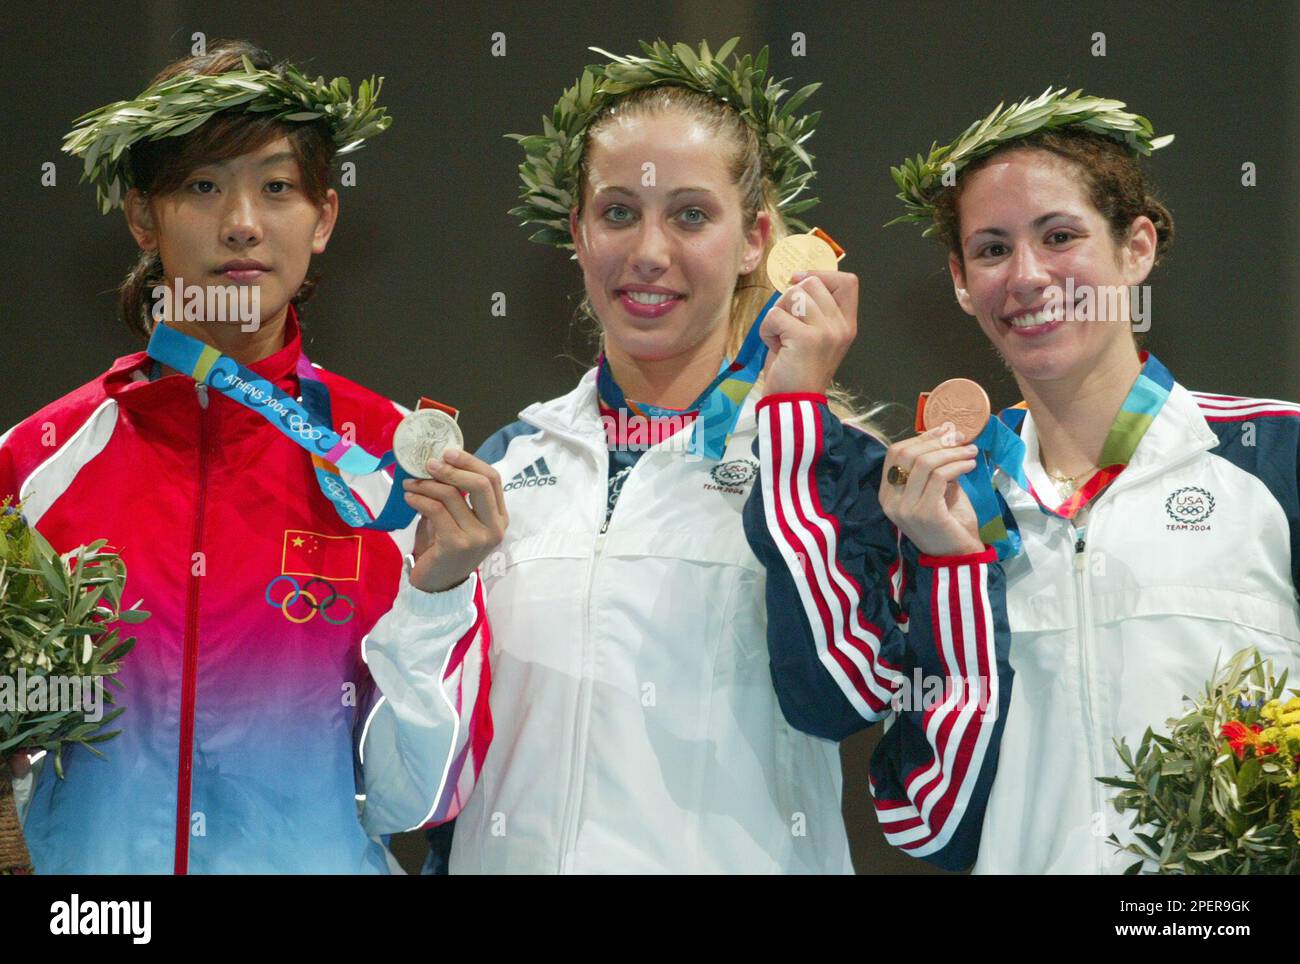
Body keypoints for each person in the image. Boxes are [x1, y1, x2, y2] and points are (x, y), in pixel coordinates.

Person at [433, 38, 1008, 874]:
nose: (650, 252)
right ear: (579, 235)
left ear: (756, 242)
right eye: (619, 212)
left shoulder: (841, 466)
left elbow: (836, 699)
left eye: (691, 215)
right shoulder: (507, 463)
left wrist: (792, 420)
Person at [759, 88, 1300, 873]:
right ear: (958, 278)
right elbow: (927, 825)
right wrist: (951, 569)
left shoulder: (1271, 455)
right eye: (991, 249)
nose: (1028, 275)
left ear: (1137, 247)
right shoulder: (937, 503)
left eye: (1060, 235)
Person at [0, 41, 500, 873]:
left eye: (277, 188)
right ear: (141, 217)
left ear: (325, 220)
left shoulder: (396, 470)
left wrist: (437, 597)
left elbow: (421, 800)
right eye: (202, 185)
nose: (241, 222)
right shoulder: (36, 463)